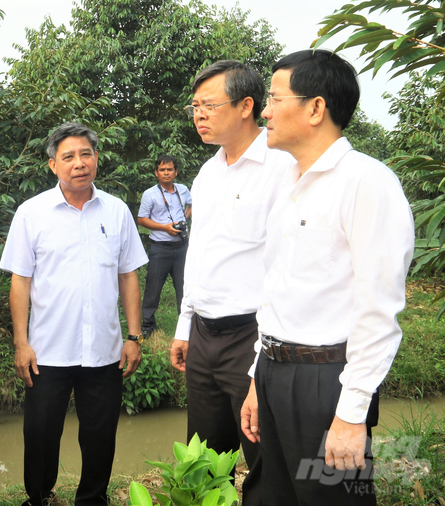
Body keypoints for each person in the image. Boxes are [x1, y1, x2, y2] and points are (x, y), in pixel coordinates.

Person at [240, 49, 414, 505]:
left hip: (327, 382)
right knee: (268, 497)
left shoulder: (367, 183)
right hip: (275, 372)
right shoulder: (286, 183)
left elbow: (378, 308)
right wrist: (259, 377)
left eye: (276, 99)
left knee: (333, 500)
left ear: (316, 107)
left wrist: (351, 414)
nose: (266, 111)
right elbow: (275, 289)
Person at [0, 122, 148, 506]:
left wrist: (134, 337)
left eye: (86, 154)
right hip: (48, 349)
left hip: (103, 349)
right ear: (53, 165)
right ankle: (38, 497)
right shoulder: (32, 213)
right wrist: (21, 342)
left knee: (100, 433)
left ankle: (92, 498)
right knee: (41, 431)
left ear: (96, 158)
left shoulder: (116, 212)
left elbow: (128, 276)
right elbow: (21, 282)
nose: (79, 163)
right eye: (68, 156)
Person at [169, 60, 295, 506]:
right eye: (194, 107)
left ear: (246, 106)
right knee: (205, 455)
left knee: (263, 456)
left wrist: (264, 352)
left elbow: (284, 268)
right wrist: (185, 326)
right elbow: (198, 256)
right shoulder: (208, 172)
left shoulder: (282, 168)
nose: (199, 114)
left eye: (208, 105)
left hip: (252, 336)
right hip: (204, 336)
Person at [137, 154, 192, 335]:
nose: (166, 173)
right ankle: (147, 327)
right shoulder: (149, 194)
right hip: (160, 248)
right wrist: (164, 228)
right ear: (156, 173)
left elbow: (192, 204)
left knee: (184, 289)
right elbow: (142, 219)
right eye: (162, 169)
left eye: (169, 169)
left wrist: (183, 219)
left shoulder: (183, 190)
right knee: (153, 289)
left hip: (182, 247)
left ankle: (184, 327)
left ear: (175, 172)